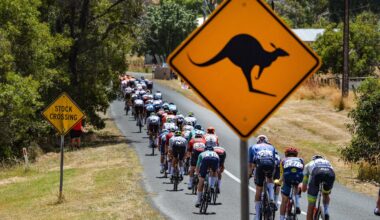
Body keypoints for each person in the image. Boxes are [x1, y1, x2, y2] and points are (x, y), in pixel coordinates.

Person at [248, 134, 277, 220]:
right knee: (270, 178)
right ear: (267, 141)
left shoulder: (253, 147)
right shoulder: (271, 147)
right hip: (270, 164)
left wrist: (250, 174)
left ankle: (257, 216)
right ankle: (271, 198)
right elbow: (274, 163)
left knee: (259, 189)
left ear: (257, 141)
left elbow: (251, 164)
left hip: (260, 165)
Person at [302, 155, 335, 220]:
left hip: (317, 173)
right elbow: (332, 173)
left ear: (313, 159)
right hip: (330, 173)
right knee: (326, 194)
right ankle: (326, 211)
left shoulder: (309, 164)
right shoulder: (327, 162)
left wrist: (304, 188)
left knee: (311, 205)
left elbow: (304, 187)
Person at [275, 147, 304, 220]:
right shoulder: (301, 160)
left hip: (288, 176)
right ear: (296, 155)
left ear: (286, 154)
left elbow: (282, 176)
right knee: (297, 184)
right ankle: (297, 204)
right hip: (298, 176)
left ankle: (281, 218)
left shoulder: (283, 160)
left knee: (284, 200)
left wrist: (279, 182)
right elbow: (301, 172)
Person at [195, 143, 219, 207]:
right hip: (215, 159)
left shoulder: (201, 154)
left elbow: (198, 165)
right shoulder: (216, 154)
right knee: (214, 172)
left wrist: (197, 173)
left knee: (201, 179)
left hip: (205, 159)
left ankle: (198, 201)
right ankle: (211, 186)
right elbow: (217, 169)